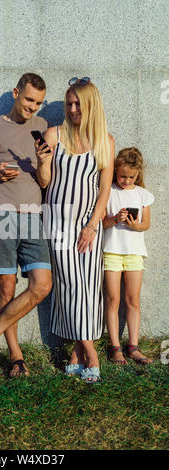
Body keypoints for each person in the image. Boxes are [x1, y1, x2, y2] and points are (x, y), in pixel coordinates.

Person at [0, 73, 52, 376]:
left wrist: (44, 163)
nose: (33, 107)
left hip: (33, 215)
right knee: (6, 287)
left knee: (42, 285)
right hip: (0, 214)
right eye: (29, 99)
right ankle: (16, 357)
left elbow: (45, 182)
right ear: (16, 93)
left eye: (39, 103)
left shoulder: (43, 129)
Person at [35, 77, 114, 383]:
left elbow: (104, 190)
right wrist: (43, 162)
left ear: (91, 104)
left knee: (89, 288)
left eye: (78, 103)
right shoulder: (53, 134)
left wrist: (93, 225)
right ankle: (91, 353)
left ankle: (75, 355)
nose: (71, 109)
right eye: (68, 103)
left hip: (89, 225)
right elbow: (44, 183)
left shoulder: (105, 141)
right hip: (58, 222)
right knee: (71, 286)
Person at [102, 147, 154, 365]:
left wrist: (134, 224)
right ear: (115, 172)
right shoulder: (108, 191)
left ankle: (133, 346)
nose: (125, 180)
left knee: (132, 299)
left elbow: (146, 224)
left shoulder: (142, 194)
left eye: (131, 177)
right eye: (122, 175)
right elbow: (101, 222)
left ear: (137, 175)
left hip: (134, 253)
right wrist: (116, 219)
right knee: (113, 299)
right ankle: (115, 348)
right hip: (112, 251)